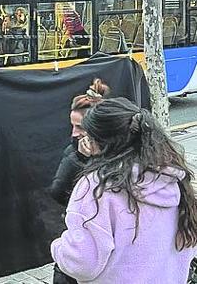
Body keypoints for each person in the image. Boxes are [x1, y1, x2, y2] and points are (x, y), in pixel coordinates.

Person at [51, 98, 197, 283]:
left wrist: (58, 247)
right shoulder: (172, 177)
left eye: (86, 134)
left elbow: (81, 263)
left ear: (99, 142)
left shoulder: (97, 187)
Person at [49, 78, 110, 284]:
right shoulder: (75, 153)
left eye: (79, 127)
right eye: (72, 125)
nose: (73, 133)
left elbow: (58, 191)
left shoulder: (113, 156)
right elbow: (59, 190)